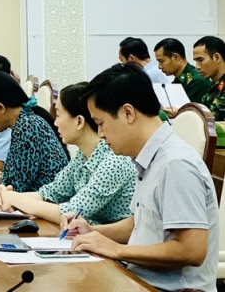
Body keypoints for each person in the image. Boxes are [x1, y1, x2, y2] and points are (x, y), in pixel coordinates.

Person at [66, 63, 218, 292]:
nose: (100, 134)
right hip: (138, 280)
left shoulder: (175, 164)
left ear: (128, 113)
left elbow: (192, 250)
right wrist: (94, 232)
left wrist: (116, 249)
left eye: (100, 123)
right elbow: (141, 224)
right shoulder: (149, 158)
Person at [0, 82, 136, 225]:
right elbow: (50, 194)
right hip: (91, 239)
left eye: (58, 115)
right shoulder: (82, 157)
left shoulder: (114, 161)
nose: (55, 123)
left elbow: (72, 212)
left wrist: (15, 199)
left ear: (79, 121)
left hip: (116, 243)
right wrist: (4, 196)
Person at [0, 71, 67, 192]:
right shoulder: (24, 122)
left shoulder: (28, 127)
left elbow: (17, 188)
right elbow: (16, 178)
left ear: (0, 108)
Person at [153, 37, 211, 101]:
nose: (159, 66)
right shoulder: (181, 78)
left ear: (175, 57)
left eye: (161, 61)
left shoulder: (196, 81)